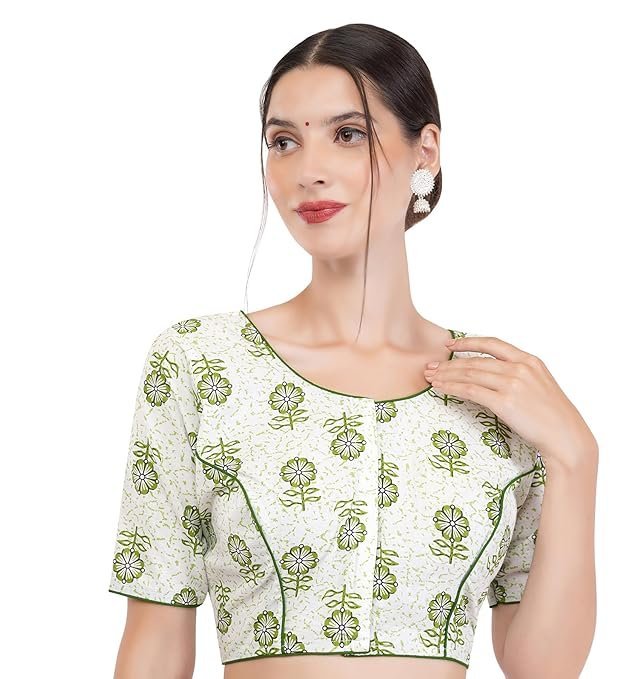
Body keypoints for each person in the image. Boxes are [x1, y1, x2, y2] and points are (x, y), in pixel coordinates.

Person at [109, 23, 598, 679]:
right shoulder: (201, 362)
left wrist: (575, 458)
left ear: (426, 150)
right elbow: (155, 641)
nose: (308, 171)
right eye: (284, 141)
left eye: (348, 134)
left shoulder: (499, 392)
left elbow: (542, 667)